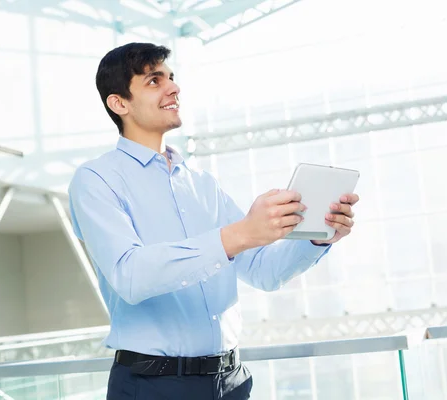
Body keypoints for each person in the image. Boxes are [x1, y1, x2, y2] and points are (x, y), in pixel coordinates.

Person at [68, 42, 359, 400]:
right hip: (153, 387)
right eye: (154, 81)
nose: (173, 88)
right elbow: (130, 275)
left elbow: (263, 272)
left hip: (230, 381)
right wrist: (238, 235)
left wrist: (317, 237)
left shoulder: (202, 183)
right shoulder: (96, 180)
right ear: (119, 103)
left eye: (171, 78)